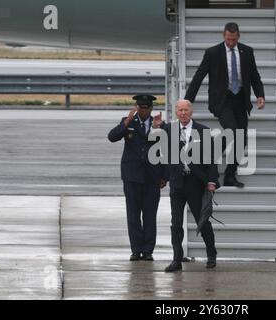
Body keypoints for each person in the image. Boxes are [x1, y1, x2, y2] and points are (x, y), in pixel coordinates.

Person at [184, 22, 265, 188]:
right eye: (228, 39)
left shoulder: (247, 51)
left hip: (241, 100)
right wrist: (188, 100)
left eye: (233, 40)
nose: (230, 43)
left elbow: (254, 75)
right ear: (224, 36)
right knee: (231, 130)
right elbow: (199, 76)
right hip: (222, 100)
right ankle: (209, 157)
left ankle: (229, 175)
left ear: (238, 37)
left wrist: (260, 95)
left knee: (241, 139)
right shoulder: (213, 52)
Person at [153, 100, 220, 272]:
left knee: (202, 221)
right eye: (180, 110)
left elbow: (211, 159)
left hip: (196, 183)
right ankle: (176, 259)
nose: (183, 113)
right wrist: (163, 177)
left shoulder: (202, 130)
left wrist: (212, 181)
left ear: (191, 112)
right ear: (176, 112)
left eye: (186, 110)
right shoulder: (168, 130)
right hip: (177, 184)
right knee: (176, 224)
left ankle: (211, 254)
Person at [108, 95, 166, 262]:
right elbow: (112, 137)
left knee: (150, 215)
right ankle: (136, 249)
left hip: (152, 177)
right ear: (136, 107)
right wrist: (126, 121)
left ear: (151, 109)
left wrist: (165, 175)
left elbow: (167, 151)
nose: (144, 110)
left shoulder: (159, 125)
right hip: (132, 175)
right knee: (133, 215)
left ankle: (148, 250)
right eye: (141, 107)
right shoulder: (128, 122)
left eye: (147, 107)